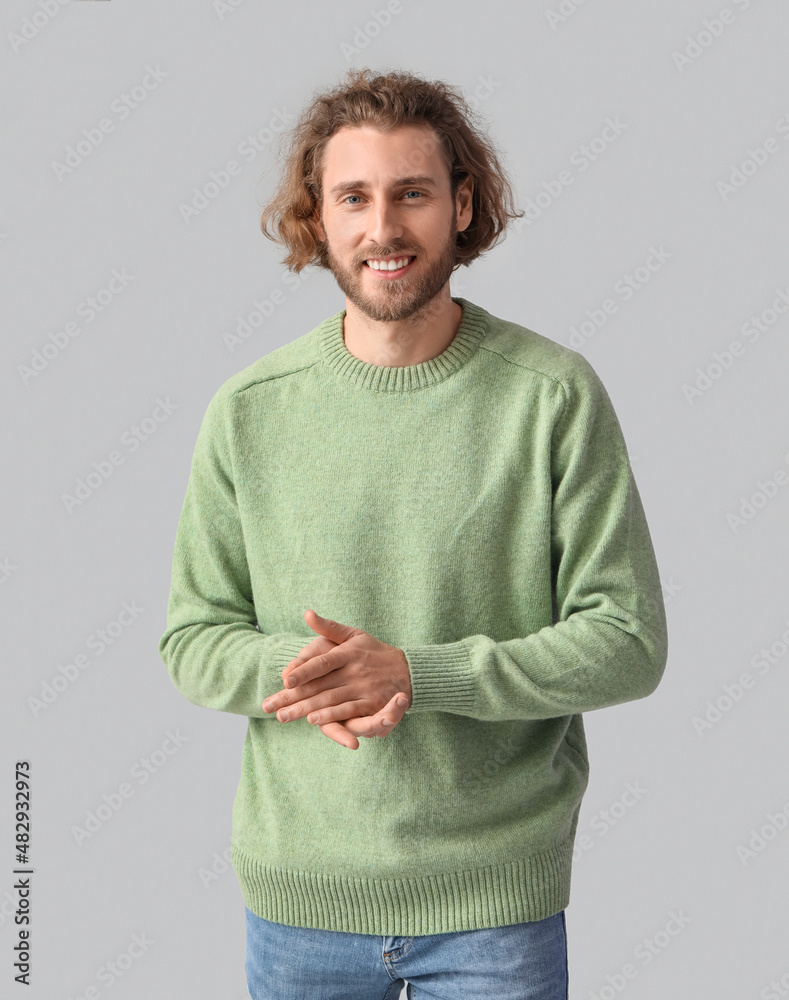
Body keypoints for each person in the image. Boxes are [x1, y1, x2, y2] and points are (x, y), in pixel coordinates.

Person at [158, 67, 668, 1000]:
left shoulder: (550, 397)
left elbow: (626, 643)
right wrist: (326, 677)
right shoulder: (249, 411)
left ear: (461, 204)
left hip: (494, 903)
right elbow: (191, 643)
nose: (382, 227)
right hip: (298, 902)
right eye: (353, 196)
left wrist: (412, 674)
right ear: (319, 213)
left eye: (412, 194)